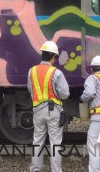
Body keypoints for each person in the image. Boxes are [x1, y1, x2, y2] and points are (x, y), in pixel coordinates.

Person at [28, 41, 70, 172]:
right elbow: (65, 94)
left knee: (37, 141)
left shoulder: (32, 71)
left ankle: (35, 169)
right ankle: (56, 170)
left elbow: (31, 90)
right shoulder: (56, 73)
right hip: (53, 111)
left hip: (37, 110)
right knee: (55, 143)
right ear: (53, 57)